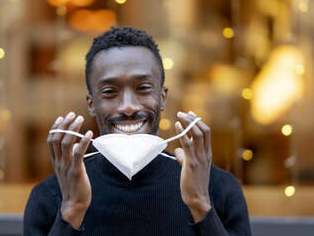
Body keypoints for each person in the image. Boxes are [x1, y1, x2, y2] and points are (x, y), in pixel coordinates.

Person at [23, 27, 252, 236]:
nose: (128, 106)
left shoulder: (218, 189)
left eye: (143, 89)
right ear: (91, 104)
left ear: (162, 98)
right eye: (110, 92)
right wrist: (72, 209)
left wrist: (200, 203)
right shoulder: (50, 196)